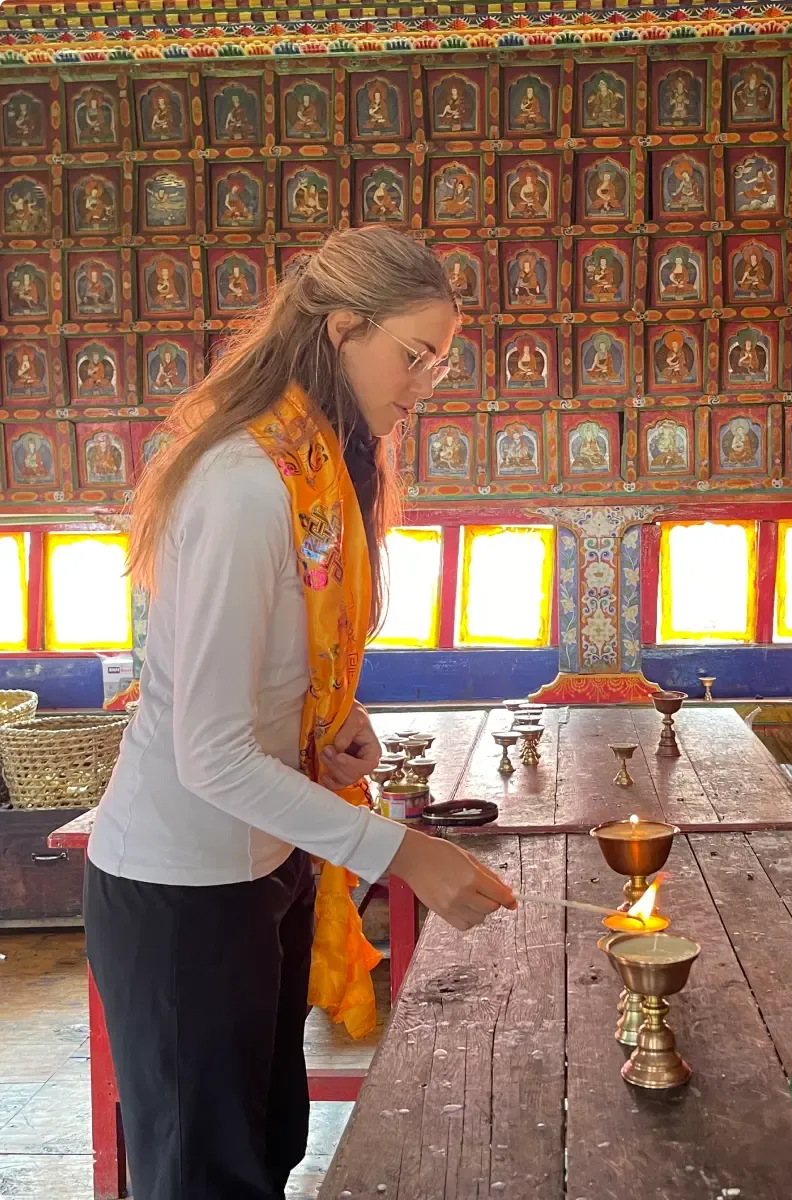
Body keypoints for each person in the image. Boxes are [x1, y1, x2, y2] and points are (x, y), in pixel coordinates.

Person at [84, 226, 516, 1200]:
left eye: (438, 366)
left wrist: (331, 708)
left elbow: (276, 642)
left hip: (262, 871)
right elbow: (210, 754)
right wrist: (405, 853)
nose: (423, 385)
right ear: (341, 327)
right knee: (205, 1176)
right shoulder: (247, 479)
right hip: (182, 890)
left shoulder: (313, 466)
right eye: (414, 356)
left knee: (266, 1149)